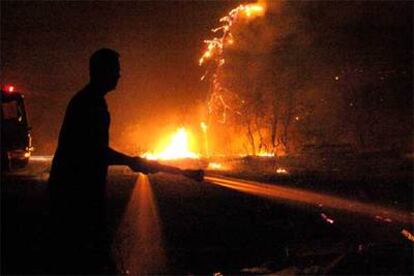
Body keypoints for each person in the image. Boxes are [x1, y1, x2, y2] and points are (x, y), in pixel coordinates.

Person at [48, 48, 203, 274]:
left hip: (75, 193)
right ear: (102, 71)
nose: (119, 75)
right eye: (115, 70)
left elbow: (95, 151)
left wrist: (133, 161)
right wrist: (132, 161)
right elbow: (94, 151)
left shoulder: (90, 101)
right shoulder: (91, 104)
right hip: (75, 195)